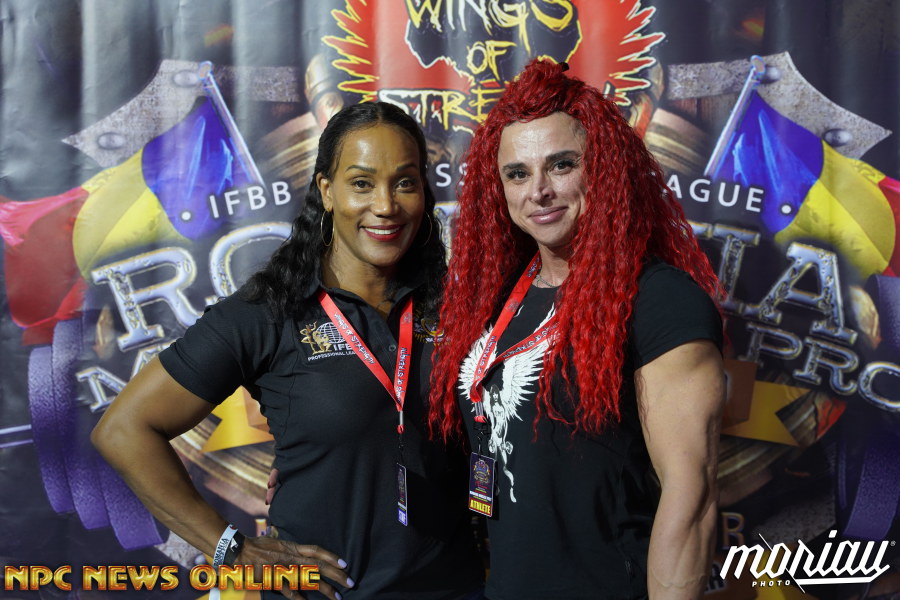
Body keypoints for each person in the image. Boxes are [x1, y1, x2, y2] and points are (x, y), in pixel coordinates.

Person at [92, 102, 484, 600]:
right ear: (327, 190)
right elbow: (123, 430)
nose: (385, 205)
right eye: (361, 183)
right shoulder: (272, 308)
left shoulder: (459, 307)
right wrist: (229, 549)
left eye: (404, 182)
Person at [429, 60, 726, 600]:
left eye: (561, 165)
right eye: (517, 173)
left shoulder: (660, 300)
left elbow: (693, 499)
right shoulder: (499, 299)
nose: (538, 190)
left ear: (602, 171)